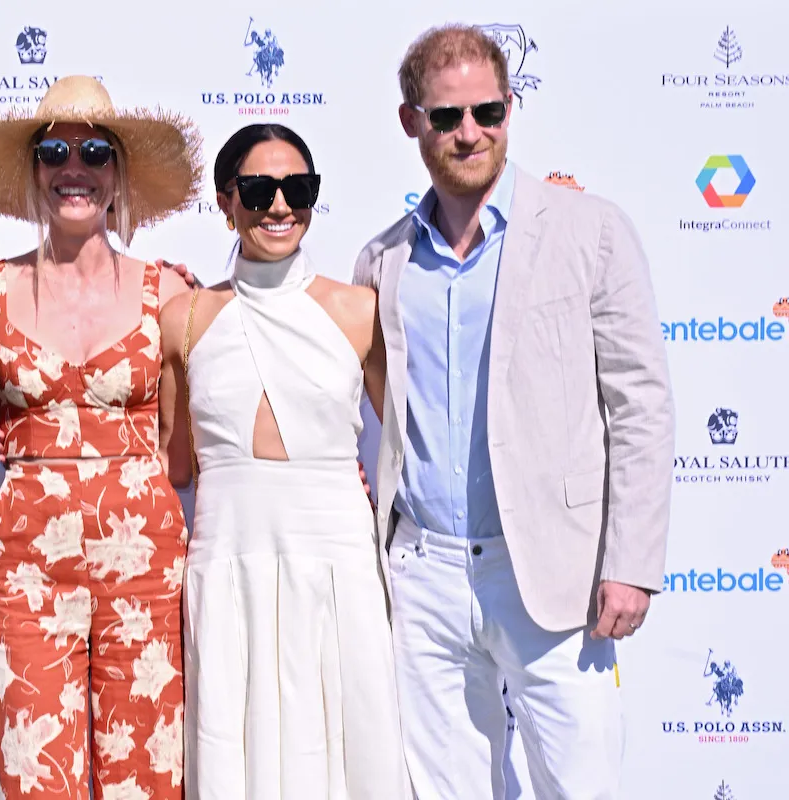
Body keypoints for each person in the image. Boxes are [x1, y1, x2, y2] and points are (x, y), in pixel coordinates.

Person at [353, 25, 675, 799]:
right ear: (412, 123)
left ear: (510, 111)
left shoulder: (590, 232)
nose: (471, 133)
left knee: (579, 786)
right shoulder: (383, 260)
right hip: (425, 576)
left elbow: (641, 404)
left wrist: (631, 564)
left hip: (554, 572)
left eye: (488, 112)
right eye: (448, 116)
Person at [0, 75, 200, 798]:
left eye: (94, 150)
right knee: (34, 775)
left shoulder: (172, 292)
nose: (74, 167)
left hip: (149, 565)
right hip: (27, 564)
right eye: (55, 151)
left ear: (118, 173)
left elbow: (204, 431)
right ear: (35, 172)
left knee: (149, 775)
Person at [158, 123, 412, 799]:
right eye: (258, 188)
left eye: (297, 188)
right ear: (225, 199)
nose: (279, 205)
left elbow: (411, 441)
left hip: (337, 558)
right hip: (229, 554)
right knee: (233, 745)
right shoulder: (182, 316)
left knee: (345, 742)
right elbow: (175, 463)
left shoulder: (360, 310)